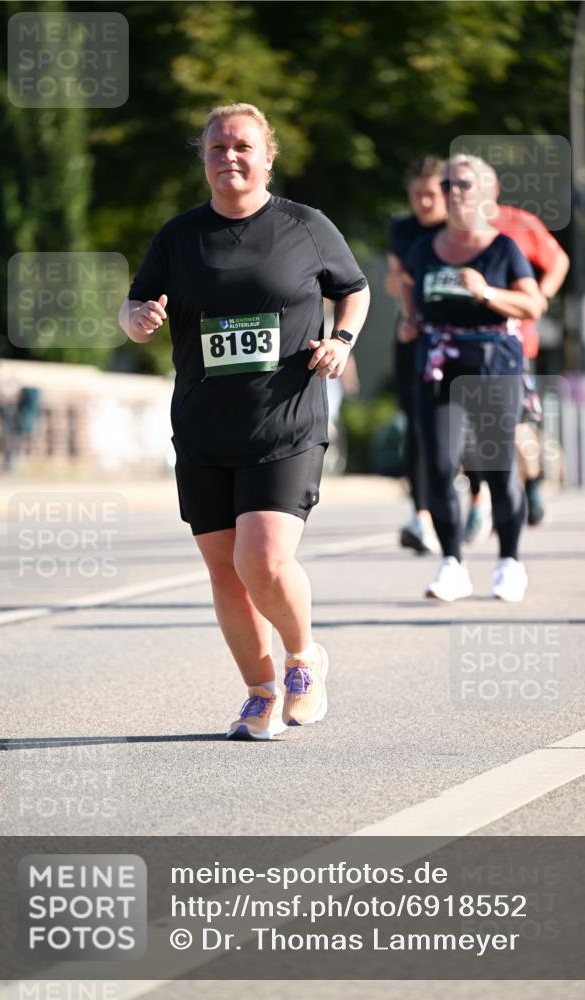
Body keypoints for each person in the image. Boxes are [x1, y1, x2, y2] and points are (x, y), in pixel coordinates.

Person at [119, 103, 370, 738]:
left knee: (262, 558)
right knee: (226, 571)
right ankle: (259, 691)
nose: (229, 157)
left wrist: (340, 339)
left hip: (285, 419)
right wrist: (138, 320)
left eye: (242, 146)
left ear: (267, 156)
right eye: (216, 148)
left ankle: (303, 658)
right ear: (202, 158)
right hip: (204, 428)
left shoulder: (304, 226)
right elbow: (134, 306)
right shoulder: (179, 236)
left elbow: (355, 288)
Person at [401, 154, 541, 602]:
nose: (452, 193)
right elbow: (408, 285)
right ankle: (452, 564)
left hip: (492, 364)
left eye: (462, 184)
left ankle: (509, 562)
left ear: (486, 193)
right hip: (439, 363)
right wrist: (409, 319)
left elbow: (533, 305)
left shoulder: (503, 249)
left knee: (498, 469)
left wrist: (487, 292)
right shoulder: (424, 249)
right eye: (446, 185)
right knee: (439, 465)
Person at [463, 179, 570, 536]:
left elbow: (558, 261)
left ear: (491, 191)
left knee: (515, 425)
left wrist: (539, 296)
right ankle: (480, 501)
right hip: (463, 343)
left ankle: (534, 486)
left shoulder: (518, 224)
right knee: (471, 428)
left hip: (513, 344)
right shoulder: (454, 232)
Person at [384, 157, 446, 554]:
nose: (423, 202)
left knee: (461, 427)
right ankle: (422, 515)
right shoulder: (401, 229)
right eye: (416, 194)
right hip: (414, 335)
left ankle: (477, 499)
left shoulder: (458, 229)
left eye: (430, 193)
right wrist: (408, 315)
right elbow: (396, 279)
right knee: (417, 426)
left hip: (458, 338)